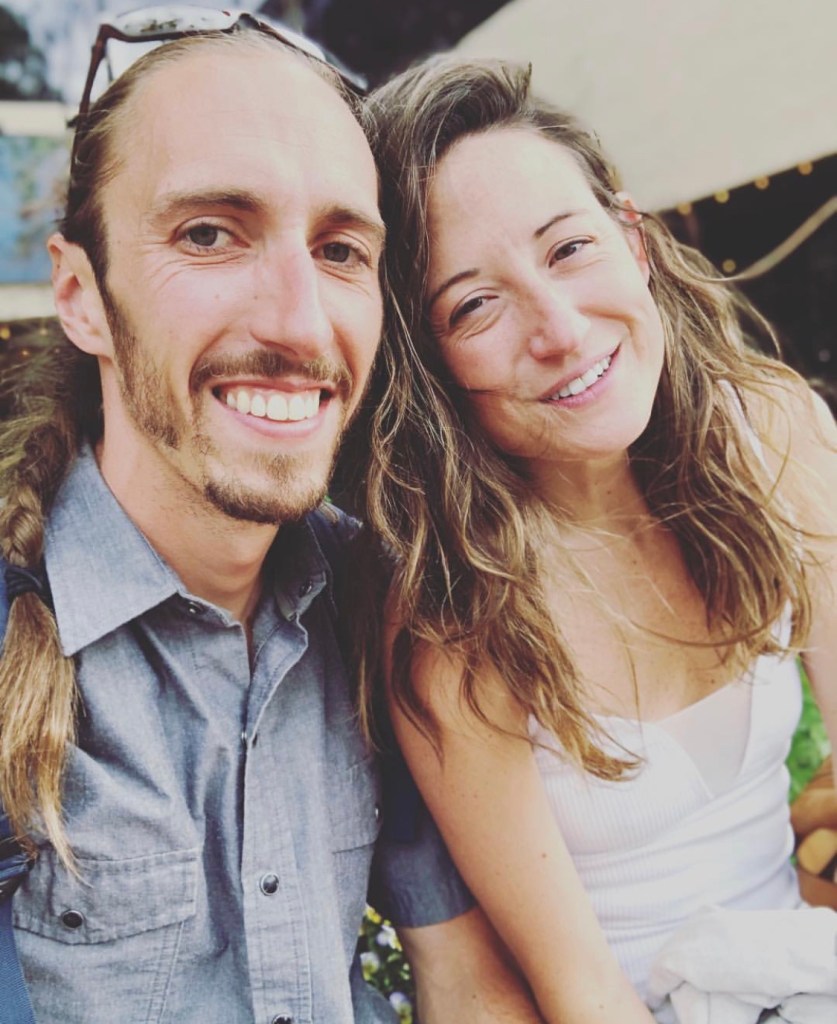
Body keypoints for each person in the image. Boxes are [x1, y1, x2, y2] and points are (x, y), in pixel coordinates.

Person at [0, 15, 545, 1024]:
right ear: (81, 295)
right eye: (209, 233)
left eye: (340, 250)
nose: (299, 321)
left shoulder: (379, 610)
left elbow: (469, 983)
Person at [349, 56, 837, 1023]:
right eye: (473, 305)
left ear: (633, 239)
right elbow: (577, 989)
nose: (562, 331)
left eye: (569, 249)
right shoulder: (452, 604)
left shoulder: (770, 432)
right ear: (425, 363)